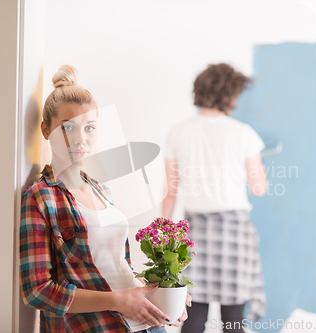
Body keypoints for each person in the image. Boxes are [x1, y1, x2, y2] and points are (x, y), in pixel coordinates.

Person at [19, 64, 190, 333]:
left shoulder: (102, 190)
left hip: (145, 323)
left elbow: (118, 267)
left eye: (89, 128)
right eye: (68, 128)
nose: (79, 139)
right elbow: (38, 291)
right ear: (45, 130)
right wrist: (117, 301)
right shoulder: (40, 198)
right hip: (97, 326)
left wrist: (165, 295)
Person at [162, 63, 268, 333]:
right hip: (234, 232)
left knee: (193, 317)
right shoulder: (243, 133)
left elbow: (170, 191)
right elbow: (259, 187)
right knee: (233, 322)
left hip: (195, 232)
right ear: (230, 95)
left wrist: (162, 233)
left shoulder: (178, 132)